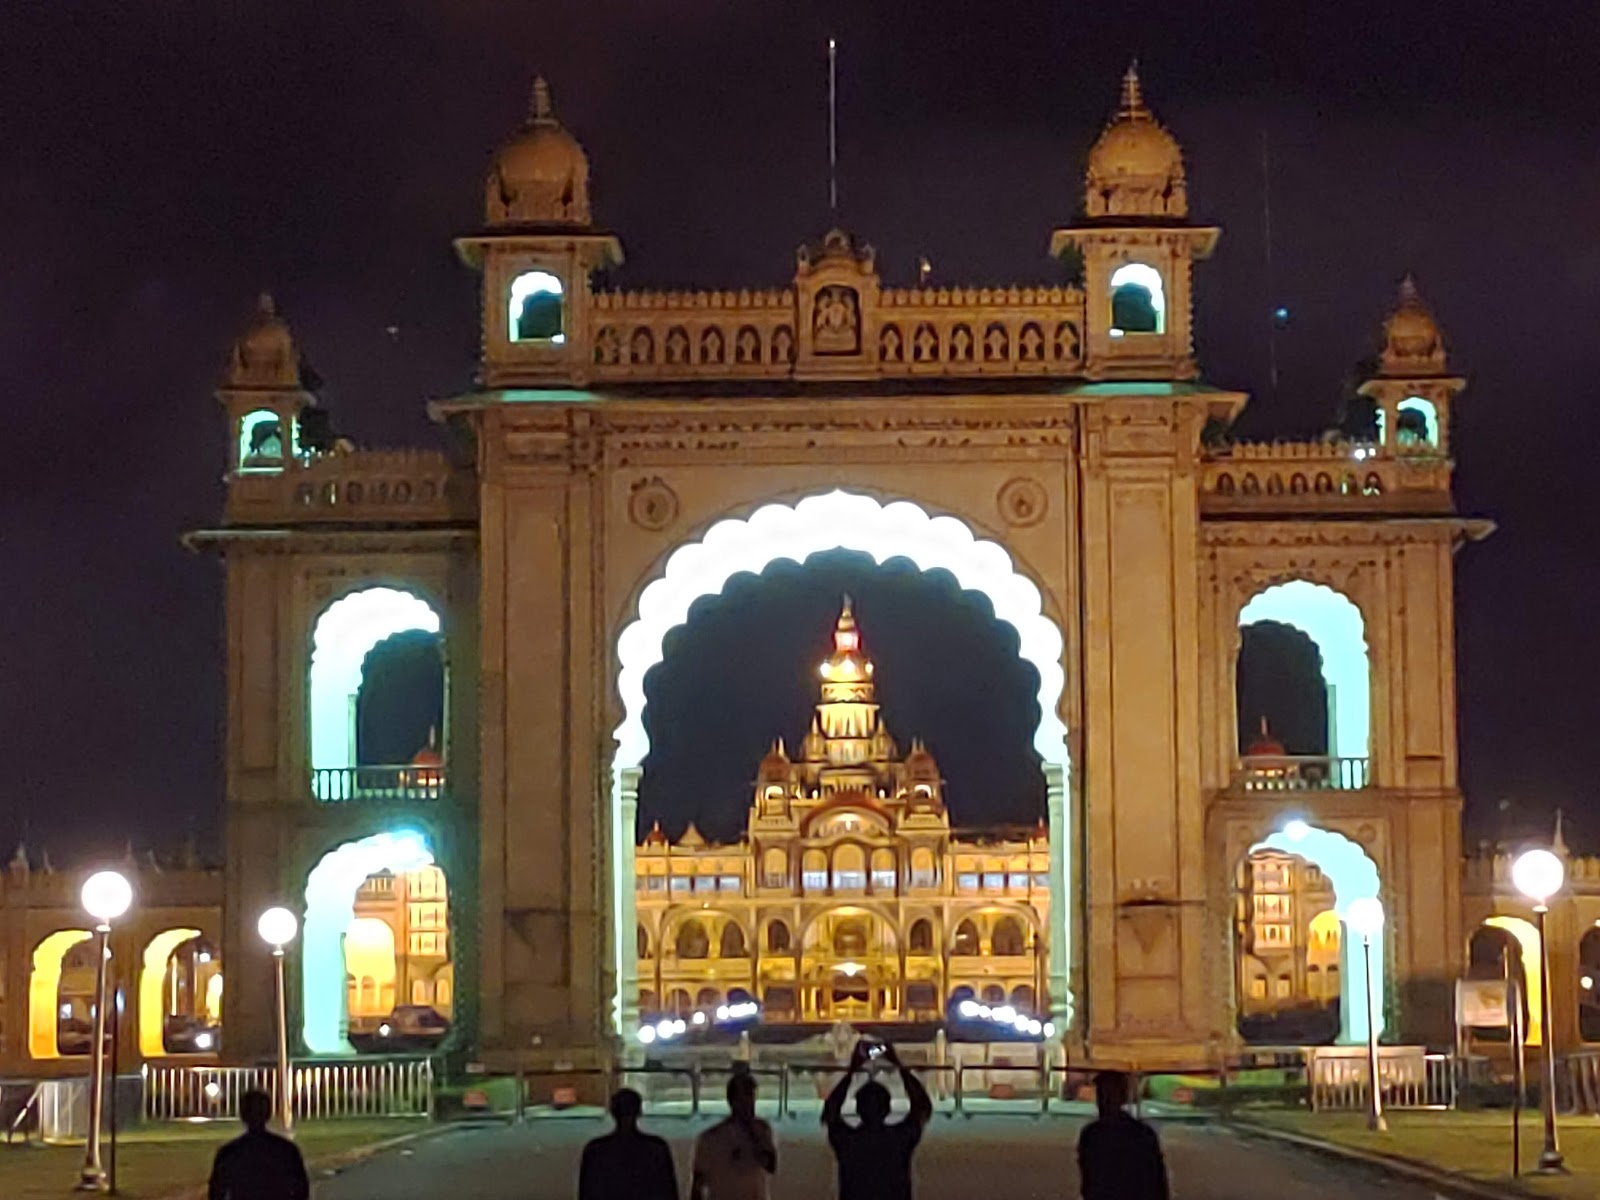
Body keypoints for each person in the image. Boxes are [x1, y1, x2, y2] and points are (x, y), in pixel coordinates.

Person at [821, 1039, 933, 1200]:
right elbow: (922, 1106)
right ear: (888, 1108)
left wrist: (852, 1070)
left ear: (858, 1109)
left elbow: (830, 1112)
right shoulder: (899, 1139)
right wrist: (898, 1065)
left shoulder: (848, 1141)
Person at [1076, 1070, 1170, 1200]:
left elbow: (1088, 1177)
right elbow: (1157, 1180)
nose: (1103, 1100)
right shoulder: (1142, 1133)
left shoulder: (1091, 1135)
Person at [206, 1089, 309, 1200]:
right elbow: (301, 1190)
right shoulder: (287, 1150)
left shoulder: (229, 1153)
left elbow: (216, 1192)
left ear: (243, 1115)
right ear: (268, 1114)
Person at [579, 1088, 678, 1200]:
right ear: (639, 1112)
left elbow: (586, 1194)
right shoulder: (657, 1149)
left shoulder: (594, 1151)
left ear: (613, 1112)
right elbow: (668, 1193)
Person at [691, 1072, 777, 1200]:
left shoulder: (761, 1130)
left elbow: (770, 1166)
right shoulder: (711, 1139)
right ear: (732, 1101)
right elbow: (698, 1184)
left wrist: (754, 1135)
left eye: (751, 1097)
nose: (749, 1104)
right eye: (744, 1098)